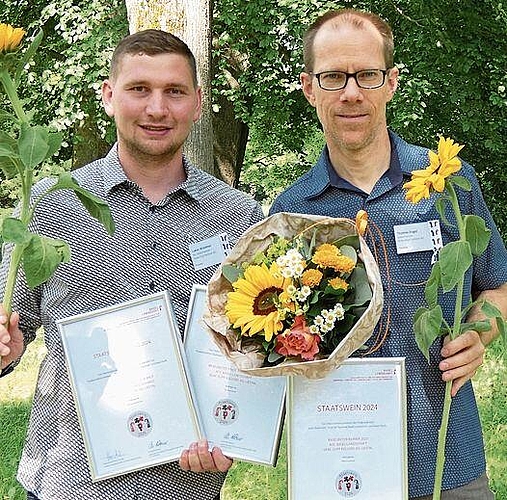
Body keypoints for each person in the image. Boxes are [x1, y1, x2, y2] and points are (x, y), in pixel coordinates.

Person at [0, 29, 263, 500]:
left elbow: (256, 352)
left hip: (187, 484)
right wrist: (5, 348)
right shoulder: (50, 206)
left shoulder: (240, 218)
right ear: (108, 96)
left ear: (198, 103)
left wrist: (239, 429)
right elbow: (10, 336)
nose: (157, 109)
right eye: (139, 89)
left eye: (174, 92)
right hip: (68, 481)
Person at [269, 8, 507, 500]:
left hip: (447, 463)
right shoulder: (292, 212)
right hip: (335, 470)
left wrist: (479, 333)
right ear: (310, 88)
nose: (352, 93)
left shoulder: (448, 181)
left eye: (367, 75)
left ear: (391, 82)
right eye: (333, 76)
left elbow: (498, 284)